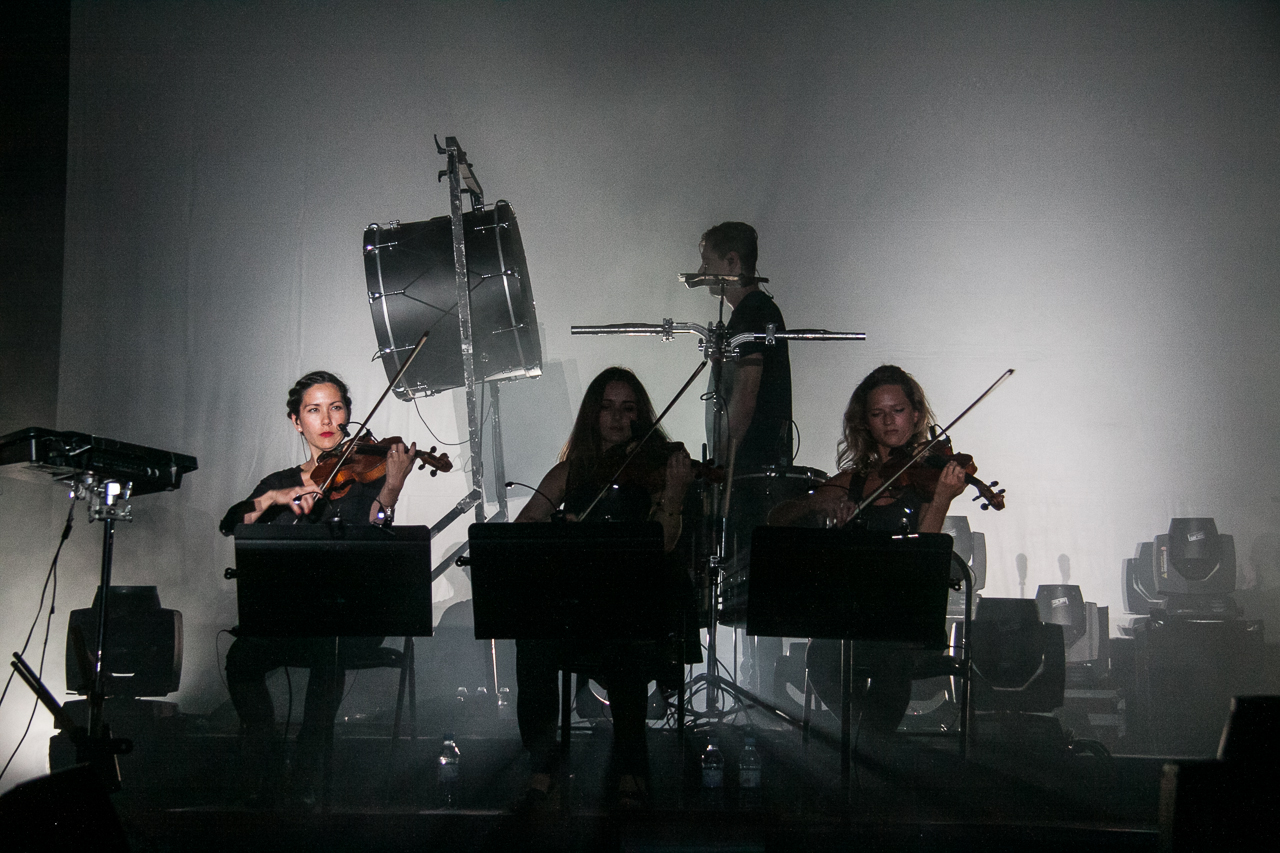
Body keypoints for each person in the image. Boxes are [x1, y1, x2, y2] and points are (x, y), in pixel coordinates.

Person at [218, 370, 417, 807]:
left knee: (329, 647)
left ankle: (308, 773)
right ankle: (268, 758)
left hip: (350, 617)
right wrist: (275, 499)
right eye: (314, 409)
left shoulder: (365, 476)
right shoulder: (280, 482)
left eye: (336, 407)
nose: (327, 419)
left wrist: (392, 489)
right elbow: (232, 523)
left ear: (348, 415)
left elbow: (377, 538)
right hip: (292, 618)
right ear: (296, 421)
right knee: (241, 658)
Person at [512, 366, 695, 809]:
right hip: (575, 611)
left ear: (641, 415)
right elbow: (522, 530)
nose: (616, 418)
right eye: (607, 408)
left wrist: (672, 492)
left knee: (627, 635)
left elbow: (666, 543)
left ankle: (632, 767)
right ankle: (543, 764)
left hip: (637, 609)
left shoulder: (655, 471)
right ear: (592, 416)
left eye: (627, 408)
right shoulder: (569, 474)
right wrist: (560, 530)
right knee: (531, 639)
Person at [768, 364, 967, 737]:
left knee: (891, 655)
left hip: (906, 621)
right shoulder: (851, 482)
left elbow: (925, 551)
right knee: (823, 658)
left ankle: (864, 745)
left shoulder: (927, 479)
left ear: (917, 415)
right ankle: (869, 742)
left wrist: (941, 496)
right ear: (866, 424)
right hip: (853, 621)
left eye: (898, 411)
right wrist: (818, 505)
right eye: (878, 414)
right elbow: (778, 517)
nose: (890, 422)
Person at [698, 222, 794, 697]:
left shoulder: (753, 314)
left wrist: (723, 463)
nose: (702, 273)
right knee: (750, 582)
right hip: (757, 468)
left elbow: (747, 394)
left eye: (708, 262)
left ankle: (759, 695)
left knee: (747, 581)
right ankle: (758, 690)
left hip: (752, 472)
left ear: (732, 263)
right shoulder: (756, 312)